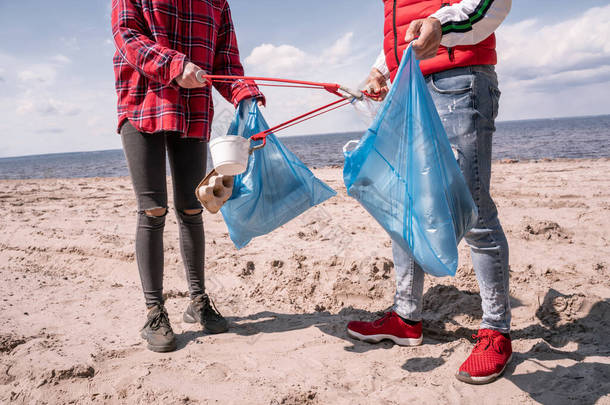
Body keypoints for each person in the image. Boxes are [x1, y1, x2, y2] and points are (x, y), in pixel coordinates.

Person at [347, 0, 513, 384]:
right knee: (407, 204)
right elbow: (406, 22)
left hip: (457, 81)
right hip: (411, 84)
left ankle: (496, 330)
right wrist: (382, 67)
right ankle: (406, 317)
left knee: (471, 209)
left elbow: (490, 4)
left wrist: (440, 25)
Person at [111, 0, 264, 353]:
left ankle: (198, 301)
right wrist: (176, 65)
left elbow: (227, 63)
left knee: (193, 209)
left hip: (193, 112)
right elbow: (127, 36)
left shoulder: (216, 3)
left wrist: (246, 94)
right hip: (142, 104)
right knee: (152, 210)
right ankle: (154, 311)